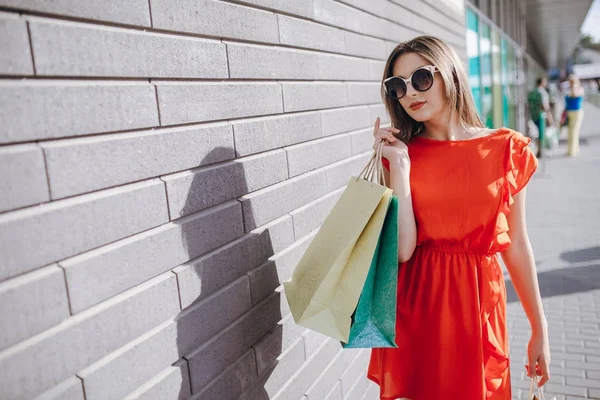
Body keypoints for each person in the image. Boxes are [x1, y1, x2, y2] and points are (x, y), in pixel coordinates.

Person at [368, 36, 550, 399]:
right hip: (421, 307)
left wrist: (539, 327)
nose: (410, 93)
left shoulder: (505, 148)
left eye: (420, 78)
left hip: (478, 302)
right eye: (397, 86)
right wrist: (399, 168)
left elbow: (516, 245)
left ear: (448, 72)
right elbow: (403, 250)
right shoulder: (402, 155)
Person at [527, 77, 555, 157]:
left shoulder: (531, 92)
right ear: (542, 82)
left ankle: (538, 149)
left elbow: (528, 104)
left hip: (533, 115)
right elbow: (544, 106)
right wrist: (550, 117)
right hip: (541, 116)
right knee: (541, 133)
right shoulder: (542, 93)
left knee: (536, 133)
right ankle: (540, 150)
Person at [564, 74, 585, 156]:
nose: (571, 83)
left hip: (577, 112)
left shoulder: (579, 89)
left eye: (572, 81)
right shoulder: (568, 89)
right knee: (570, 132)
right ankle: (572, 149)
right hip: (569, 112)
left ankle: (573, 150)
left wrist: (574, 86)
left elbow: (574, 94)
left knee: (574, 131)